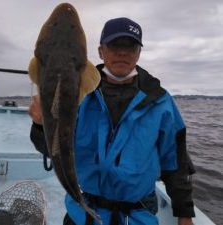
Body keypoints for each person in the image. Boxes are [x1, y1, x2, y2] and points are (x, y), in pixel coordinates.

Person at [29, 17, 195, 225]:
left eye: (130, 46)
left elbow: (176, 163)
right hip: (82, 214)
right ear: (100, 51)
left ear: (138, 53)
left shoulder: (160, 102)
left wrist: (185, 214)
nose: (123, 52)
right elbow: (51, 148)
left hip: (137, 216)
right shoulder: (79, 95)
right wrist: (40, 124)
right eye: (115, 45)